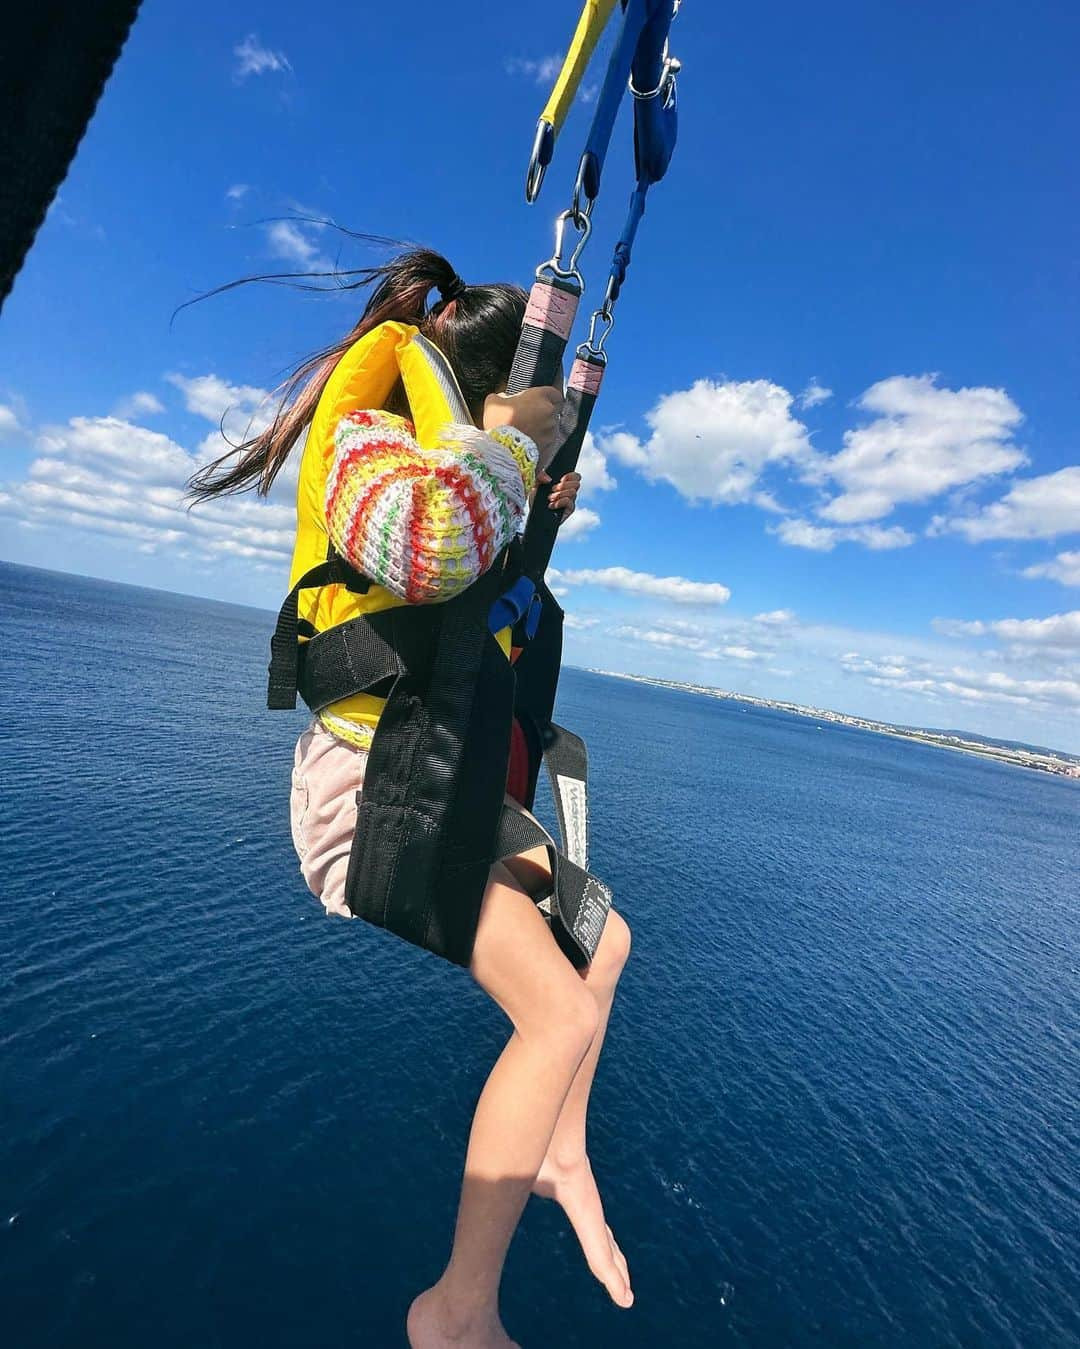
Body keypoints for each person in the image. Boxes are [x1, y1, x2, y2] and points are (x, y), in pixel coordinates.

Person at [187, 247, 634, 1349]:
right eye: (504, 419)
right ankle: (455, 1309)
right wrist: (517, 442)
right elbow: (436, 545)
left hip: (437, 781)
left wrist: (541, 480)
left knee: (603, 939)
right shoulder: (369, 441)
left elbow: (485, 565)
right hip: (368, 804)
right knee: (559, 1012)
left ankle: (561, 1147)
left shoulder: (465, 461)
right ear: (477, 394)